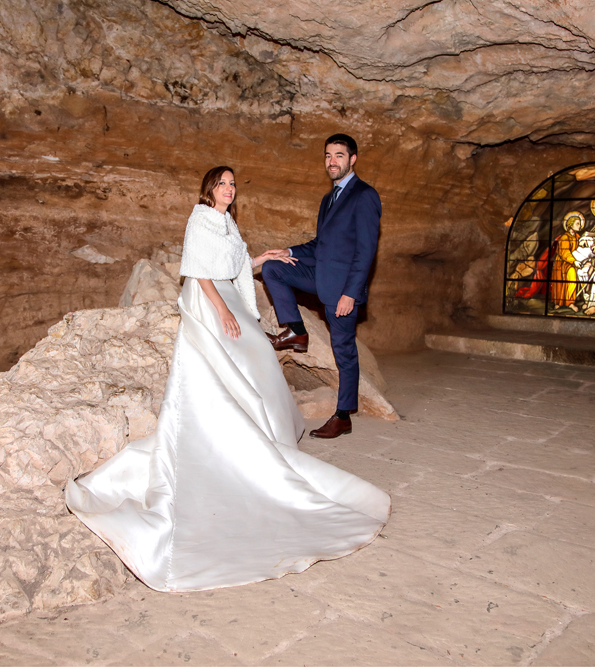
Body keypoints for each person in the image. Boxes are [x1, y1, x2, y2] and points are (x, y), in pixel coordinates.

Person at [65, 166, 391, 593]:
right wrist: (221, 313)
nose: (229, 189)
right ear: (209, 189)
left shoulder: (227, 221)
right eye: (222, 183)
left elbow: (233, 263)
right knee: (228, 365)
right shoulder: (201, 217)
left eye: (233, 184)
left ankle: (262, 432)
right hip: (210, 304)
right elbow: (201, 271)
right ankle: (232, 436)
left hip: (231, 299)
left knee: (257, 360)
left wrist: (263, 259)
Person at [262, 134, 382, 439]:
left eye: (339, 155)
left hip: (342, 289)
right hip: (320, 276)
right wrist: (288, 252)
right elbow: (320, 246)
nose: (332, 161)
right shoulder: (329, 199)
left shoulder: (364, 195)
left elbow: (365, 251)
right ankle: (296, 331)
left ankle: (343, 416)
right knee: (273, 268)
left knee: (344, 351)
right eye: (328, 155)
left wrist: (351, 294)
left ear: (352, 159)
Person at [551, 211, 585, 311]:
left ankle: (570, 303)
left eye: (580, 223)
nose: (580, 226)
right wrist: (574, 261)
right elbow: (565, 252)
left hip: (572, 263)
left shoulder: (577, 237)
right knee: (559, 283)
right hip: (562, 264)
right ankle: (558, 302)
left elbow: (578, 248)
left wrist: (583, 245)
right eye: (577, 223)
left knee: (572, 281)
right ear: (570, 224)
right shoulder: (564, 237)